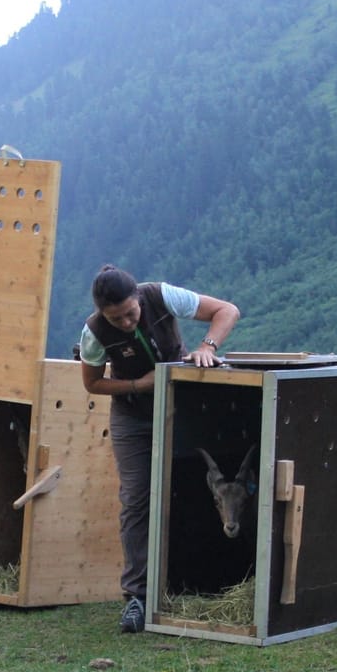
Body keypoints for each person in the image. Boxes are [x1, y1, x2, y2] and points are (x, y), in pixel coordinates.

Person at [78, 265, 240, 633]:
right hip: (132, 417)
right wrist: (138, 385)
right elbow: (92, 384)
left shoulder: (161, 295)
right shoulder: (93, 332)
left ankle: (205, 580)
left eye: (130, 313)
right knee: (136, 499)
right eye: (115, 318)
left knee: (192, 486)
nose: (124, 322)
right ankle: (136, 597)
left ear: (138, 297)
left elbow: (226, 310)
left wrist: (206, 347)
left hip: (182, 408)